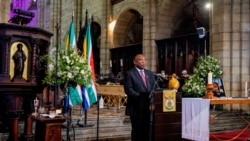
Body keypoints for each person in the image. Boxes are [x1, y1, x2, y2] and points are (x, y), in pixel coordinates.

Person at [123, 54, 158, 141]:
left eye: (144, 60)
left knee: (147, 129)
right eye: (140, 60)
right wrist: (141, 97)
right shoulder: (129, 73)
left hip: (149, 107)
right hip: (136, 106)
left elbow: (155, 87)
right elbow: (128, 90)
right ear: (135, 62)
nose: (143, 62)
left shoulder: (149, 73)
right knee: (137, 130)